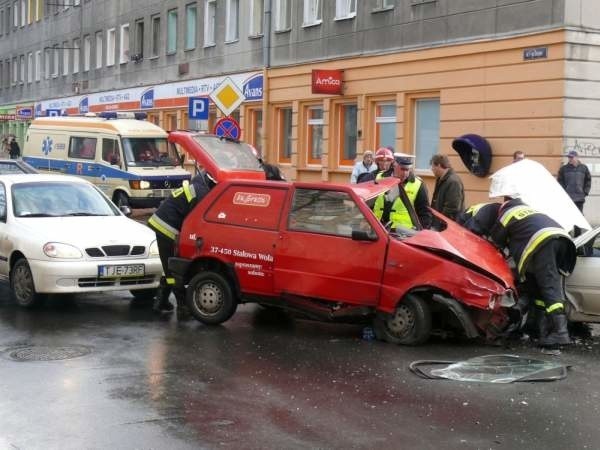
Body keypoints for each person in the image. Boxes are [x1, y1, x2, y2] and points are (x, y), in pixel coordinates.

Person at [489, 196, 576, 347]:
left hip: (543, 242)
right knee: (539, 287)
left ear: (503, 206)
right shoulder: (530, 211)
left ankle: (561, 333)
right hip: (562, 240)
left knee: (549, 286)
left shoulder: (507, 213)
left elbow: (495, 241)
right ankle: (540, 331)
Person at [147, 171, 217, 316]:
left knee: (169, 267)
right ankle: (182, 304)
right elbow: (196, 220)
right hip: (166, 227)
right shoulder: (202, 193)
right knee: (172, 269)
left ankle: (161, 302)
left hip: (164, 223)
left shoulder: (197, 186)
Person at [373, 153, 431, 230]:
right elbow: (370, 202)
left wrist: (421, 234)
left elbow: (425, 214)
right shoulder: (380, 177)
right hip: (378, 228)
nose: (405, 173)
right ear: (394, 165)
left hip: (403, 233)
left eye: (407, 170)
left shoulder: (418, 184)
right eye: (402, 169)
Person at [430, 154, 464, 221]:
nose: (431, 169)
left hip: (448, 225)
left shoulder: (453, 181)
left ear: (439, 165)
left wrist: (440, 222)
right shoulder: (441, 179)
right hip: (442, 224)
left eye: (432, 166)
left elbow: (452, 207)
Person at [557, 150, 591, 216]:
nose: (570, 159)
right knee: (569, 216)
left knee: (580, 216)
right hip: (568, 198)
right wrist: (564, 192)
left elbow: (588, 181)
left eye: (572, 157)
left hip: (579, 198)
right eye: (569, 157)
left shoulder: (584, 168)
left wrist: (585, 192)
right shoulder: (563, 169)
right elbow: (560, 181)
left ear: (577, 157)